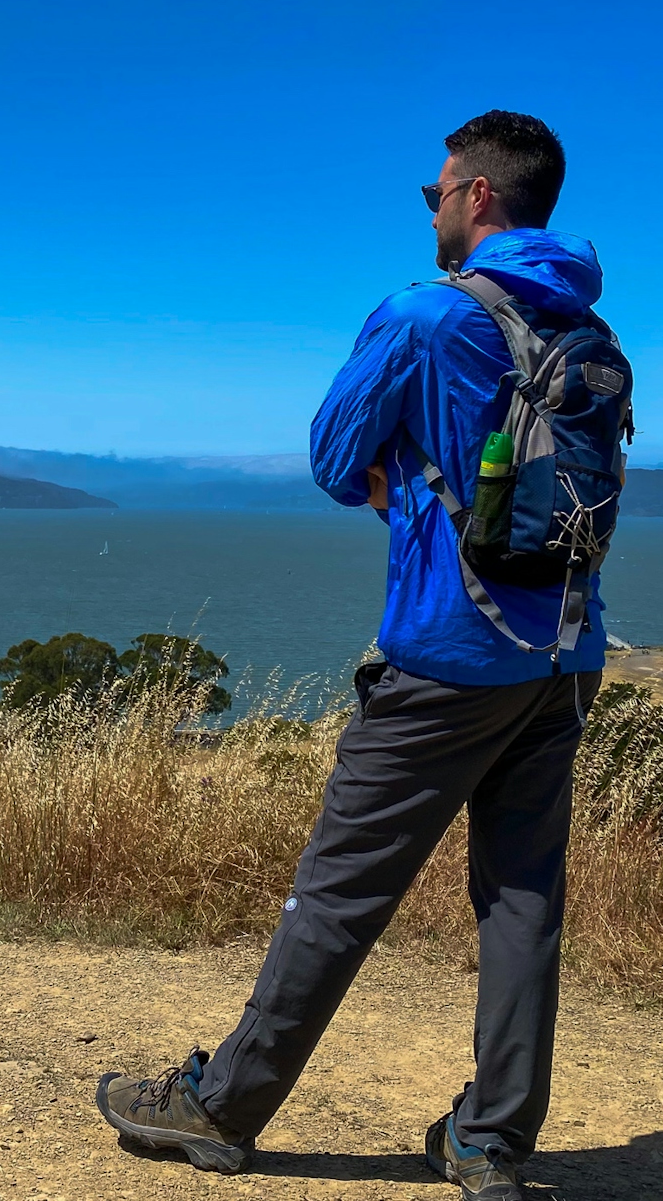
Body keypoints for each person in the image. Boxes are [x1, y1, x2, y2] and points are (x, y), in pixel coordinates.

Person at [95, 110, 614, 1201]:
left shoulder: (423, 316)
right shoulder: (587, 333)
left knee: (335, 897)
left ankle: (219, 1108)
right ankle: (489, 1145)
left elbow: (335, 458)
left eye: (433, 191)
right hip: (562, 658)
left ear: (475, 196)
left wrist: (389, 463)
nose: (428, 208)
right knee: (522, 905)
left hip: (445, 658)